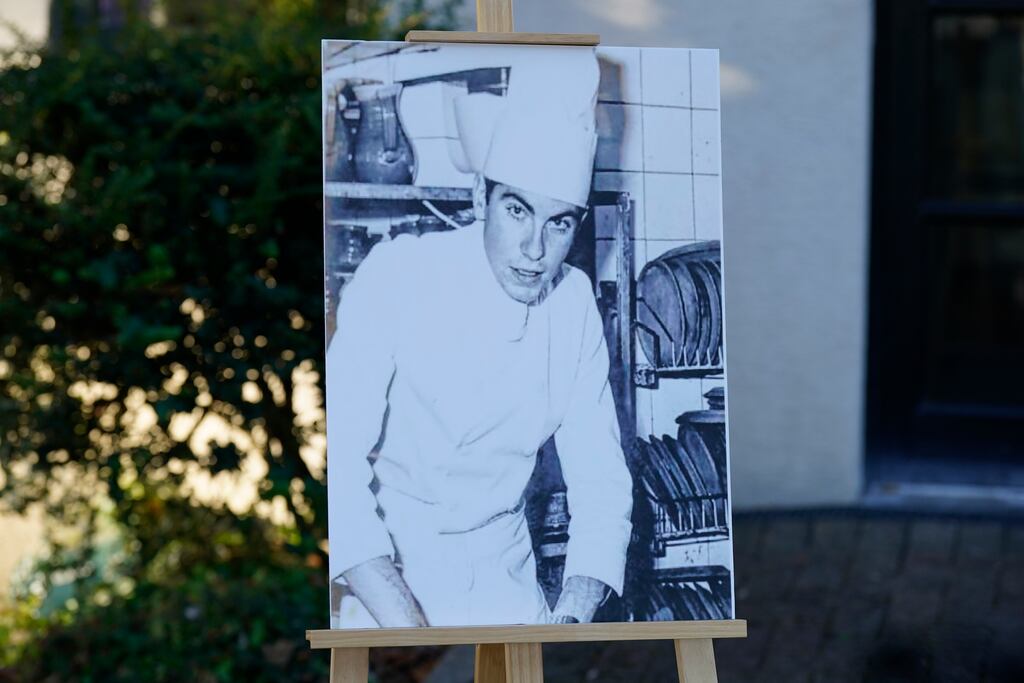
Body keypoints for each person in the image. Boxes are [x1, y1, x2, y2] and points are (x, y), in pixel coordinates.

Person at [326, 47, 633, 627]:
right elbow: (335, 463)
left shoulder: (573, 306)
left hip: (506, 575)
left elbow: (601, 482)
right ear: (478, 200)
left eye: (559, 222)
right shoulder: (398, 275)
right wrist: (406, 629)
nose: (535, 250)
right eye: (518, 211)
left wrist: (570, 618)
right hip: (388, 573)